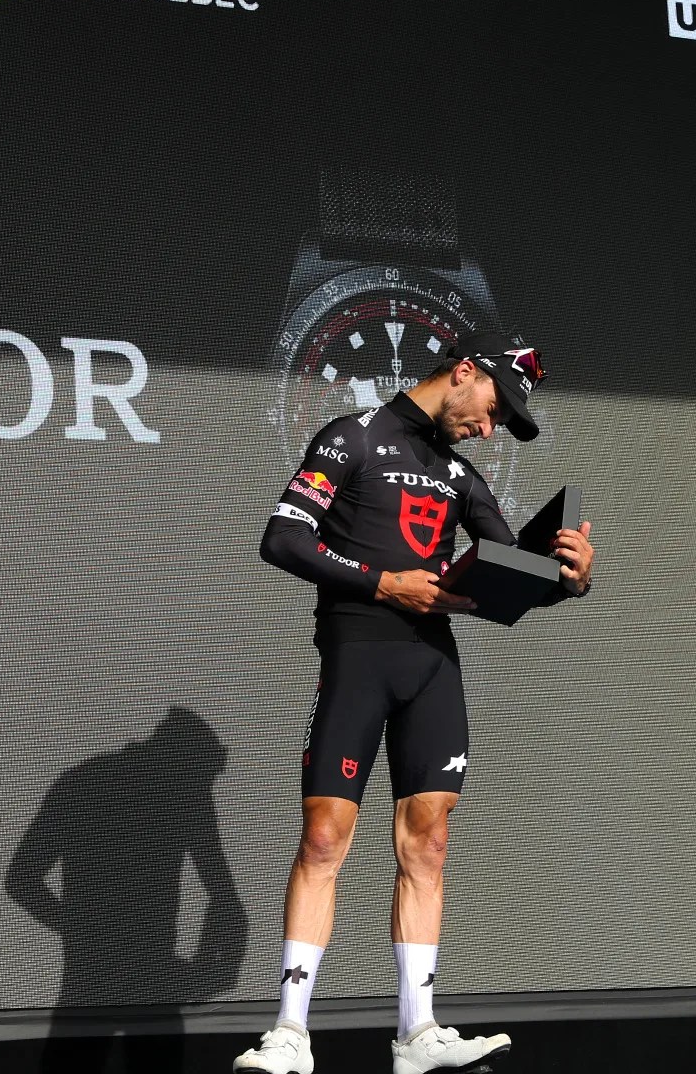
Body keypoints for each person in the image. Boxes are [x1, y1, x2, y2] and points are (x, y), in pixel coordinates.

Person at [234, 331, 594, 1074]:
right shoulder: (351, 438)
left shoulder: (460, 475)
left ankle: (418, 1033)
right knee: (326, 838)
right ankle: (290, 1033)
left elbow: (511, 574)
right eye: (494, 409)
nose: (490, 429)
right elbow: (281, 538)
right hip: (358, 651)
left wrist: (570, 577)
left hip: (432, 664)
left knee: (429, 841)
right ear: (463, 372)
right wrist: (380, 582)